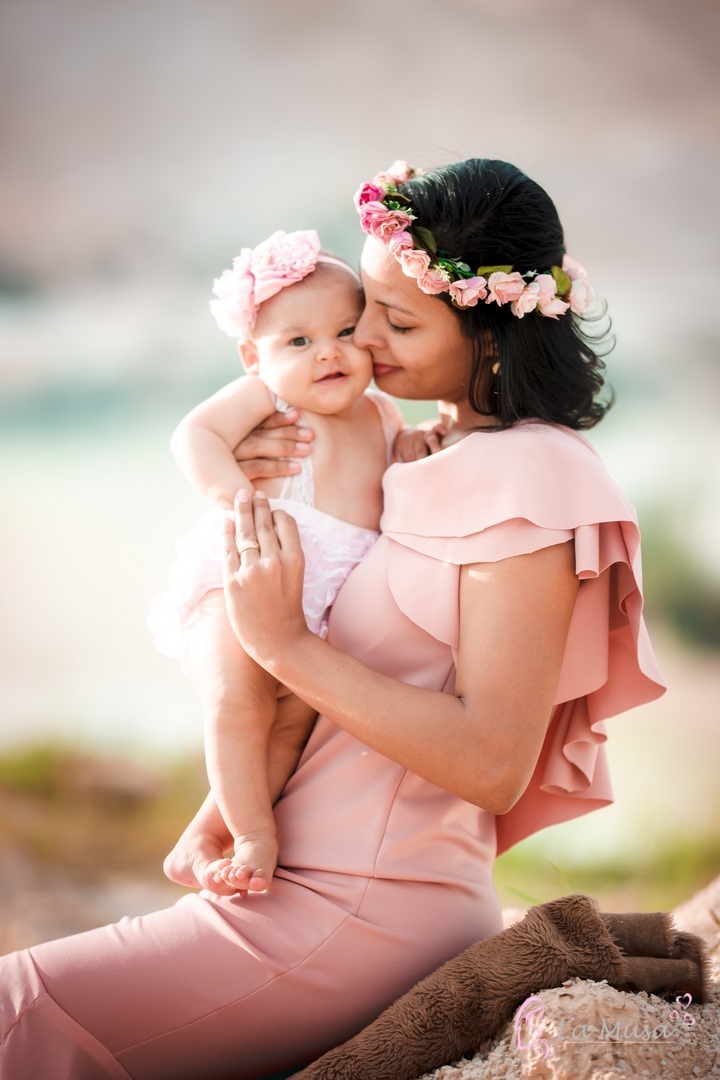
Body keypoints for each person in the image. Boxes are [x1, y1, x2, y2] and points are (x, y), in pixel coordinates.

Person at [0, 158, 665, 1080]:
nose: (360, 345)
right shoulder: (414, 451)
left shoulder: (534, 477)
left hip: (367, 908)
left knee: (17, 1013)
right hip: (297, 884)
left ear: (493, 334)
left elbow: (492, 762)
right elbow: (329, 707)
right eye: (359, 316)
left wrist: (281, 642)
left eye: (393, 322)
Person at [148, 227, 418, 895]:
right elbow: (196, 434)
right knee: (238, 702)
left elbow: (399, 473)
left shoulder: (383, 415)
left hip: (313, 611)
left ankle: (203, 835)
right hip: (241, 576)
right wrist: (234, 496)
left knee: (293, 722)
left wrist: (419, 448)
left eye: (346, 331)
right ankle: (252, 836)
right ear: (253, 357)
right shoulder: (272, 400)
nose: (328, 353)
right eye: (299, 342)